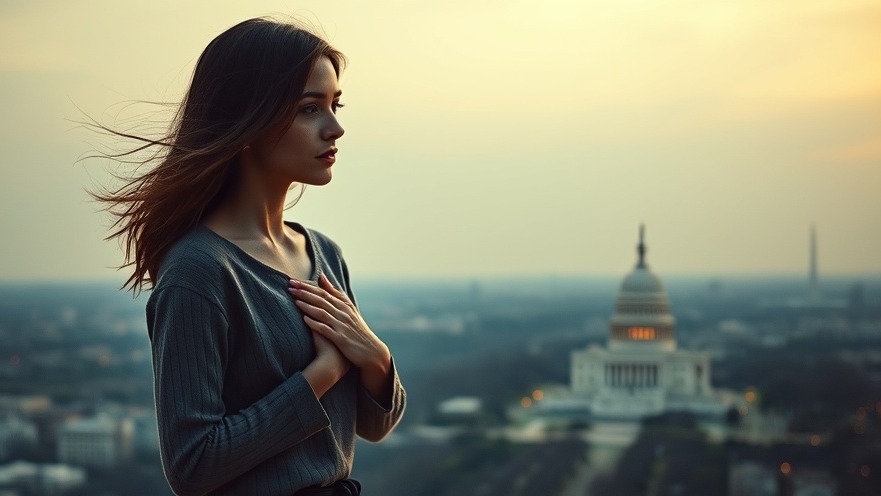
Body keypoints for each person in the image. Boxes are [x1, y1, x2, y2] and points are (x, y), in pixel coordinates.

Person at [93, 17, 405, 496]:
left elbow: (373, 427)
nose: (335, 128)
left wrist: (376, 358)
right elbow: (192, 466)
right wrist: (322, 373)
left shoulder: (324, 253)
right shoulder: (199, 271)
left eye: (335, 105)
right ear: (247, 120)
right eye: (309, 109)